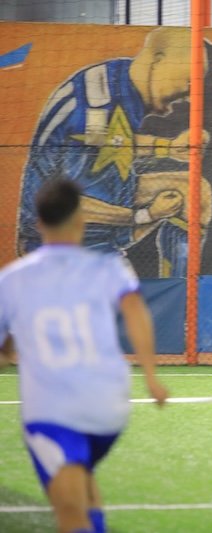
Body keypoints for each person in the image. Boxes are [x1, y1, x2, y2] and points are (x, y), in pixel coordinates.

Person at [0, 179, 169, 532]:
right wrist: (151, 376)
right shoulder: (109, 267)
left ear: (38, 223)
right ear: (80, 221)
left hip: (53, 413)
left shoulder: (12, 280)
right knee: (83, 481)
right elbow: (136, 312)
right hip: (108, 410)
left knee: (69, 515)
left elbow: (5, 348)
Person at [17, 26, 212, 277]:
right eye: (190, 80)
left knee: (194, 190)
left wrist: (167, 148)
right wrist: (145, 215)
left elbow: (110, 141)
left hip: (102, 204)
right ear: (158, 60)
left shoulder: (120, 79)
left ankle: (180, 291)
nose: (191, 95)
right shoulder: (95, 105)